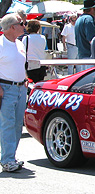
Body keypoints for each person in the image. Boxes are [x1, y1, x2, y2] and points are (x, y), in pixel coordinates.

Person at [0, 13, 28, 172]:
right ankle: (7, 159)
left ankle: (10, 156)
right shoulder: (1, 44)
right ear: (12, 27)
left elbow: (21, 64)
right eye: (21, 23)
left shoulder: (20, 43)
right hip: (6, 88)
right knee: (7, 124)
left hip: (19, 88)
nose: (24, 26)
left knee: (17, 124)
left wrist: (25, 79)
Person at [75, 0, 95, 69]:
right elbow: (92, 40)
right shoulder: (89, 19)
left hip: (81, 56)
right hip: (89, 57)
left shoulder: (79, 19)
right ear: (92, 8)